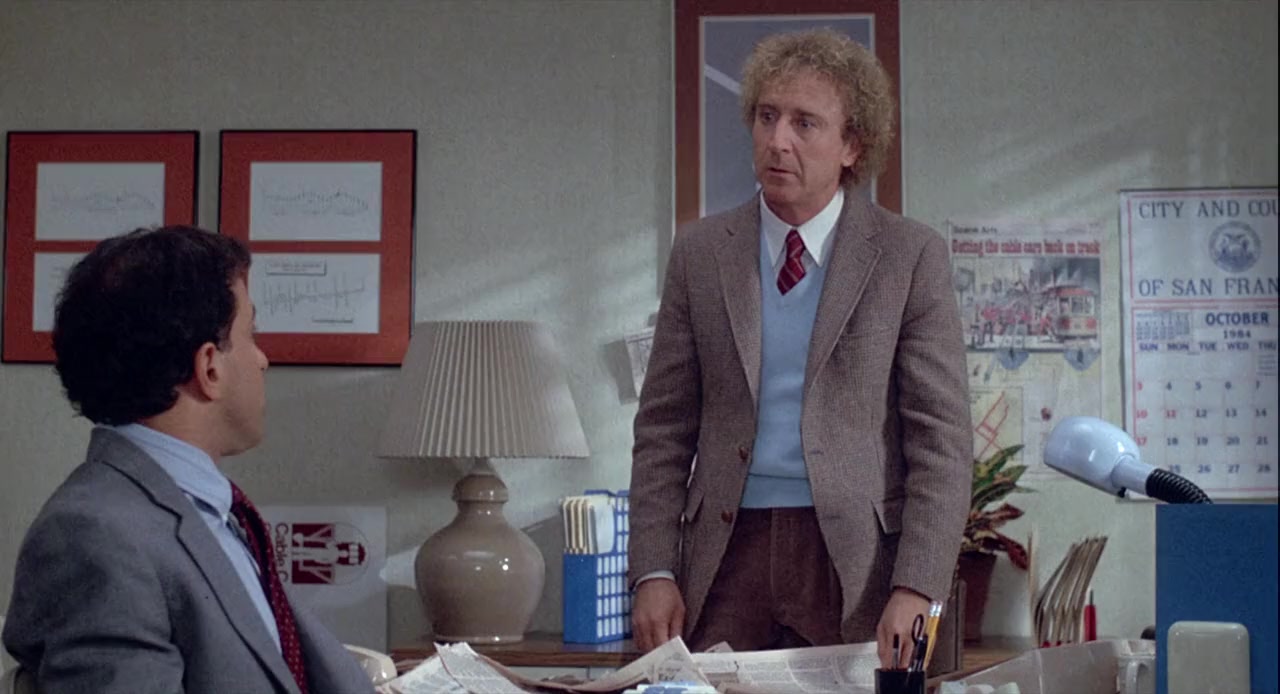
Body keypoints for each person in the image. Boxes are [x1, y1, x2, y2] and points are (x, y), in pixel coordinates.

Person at [628, 29, 972, 669]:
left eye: (804, 123)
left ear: (852, 145)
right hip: (725, 551)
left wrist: (917, 586)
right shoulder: (701, 254)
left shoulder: (908, 256)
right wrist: (652, 569)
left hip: (853, 559)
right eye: (767, 117)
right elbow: (662, 430)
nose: (777, 140)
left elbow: (941, 443)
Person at [2, 226, 375, 694]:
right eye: (251, 334)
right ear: (209, 367)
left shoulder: (205, 509)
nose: (262, 359)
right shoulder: (94, 537)